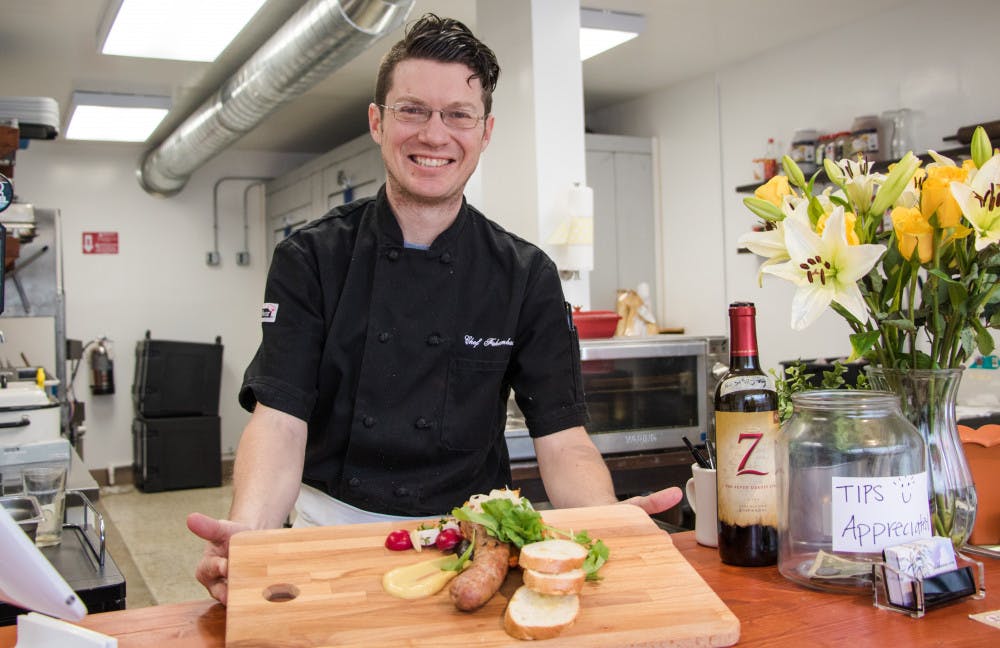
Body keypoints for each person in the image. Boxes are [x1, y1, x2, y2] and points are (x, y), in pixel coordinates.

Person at [187, 13, 682, 605]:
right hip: (328, 535)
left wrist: (604, 522)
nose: (434, 134)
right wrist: (252, 535)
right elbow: (280, 418)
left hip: (475, 543)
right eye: (413, 110)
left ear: (485, 130)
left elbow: (562, 436)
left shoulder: (525, 276)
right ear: (377, 121)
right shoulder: (310, 258)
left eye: (458, 114)